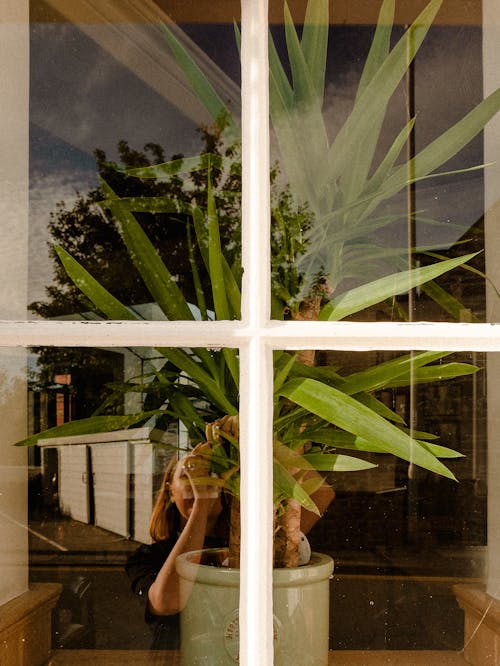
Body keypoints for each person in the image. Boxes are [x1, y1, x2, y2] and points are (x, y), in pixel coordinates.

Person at [125, 441, 334, 650]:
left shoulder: (250, 541)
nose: (201, 482)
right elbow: (166, 602)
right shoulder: (148, 556)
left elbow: (321, 494)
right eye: (187, 475)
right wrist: (201, 503)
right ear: (170, 491)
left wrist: (263, 438)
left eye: (212, 475)